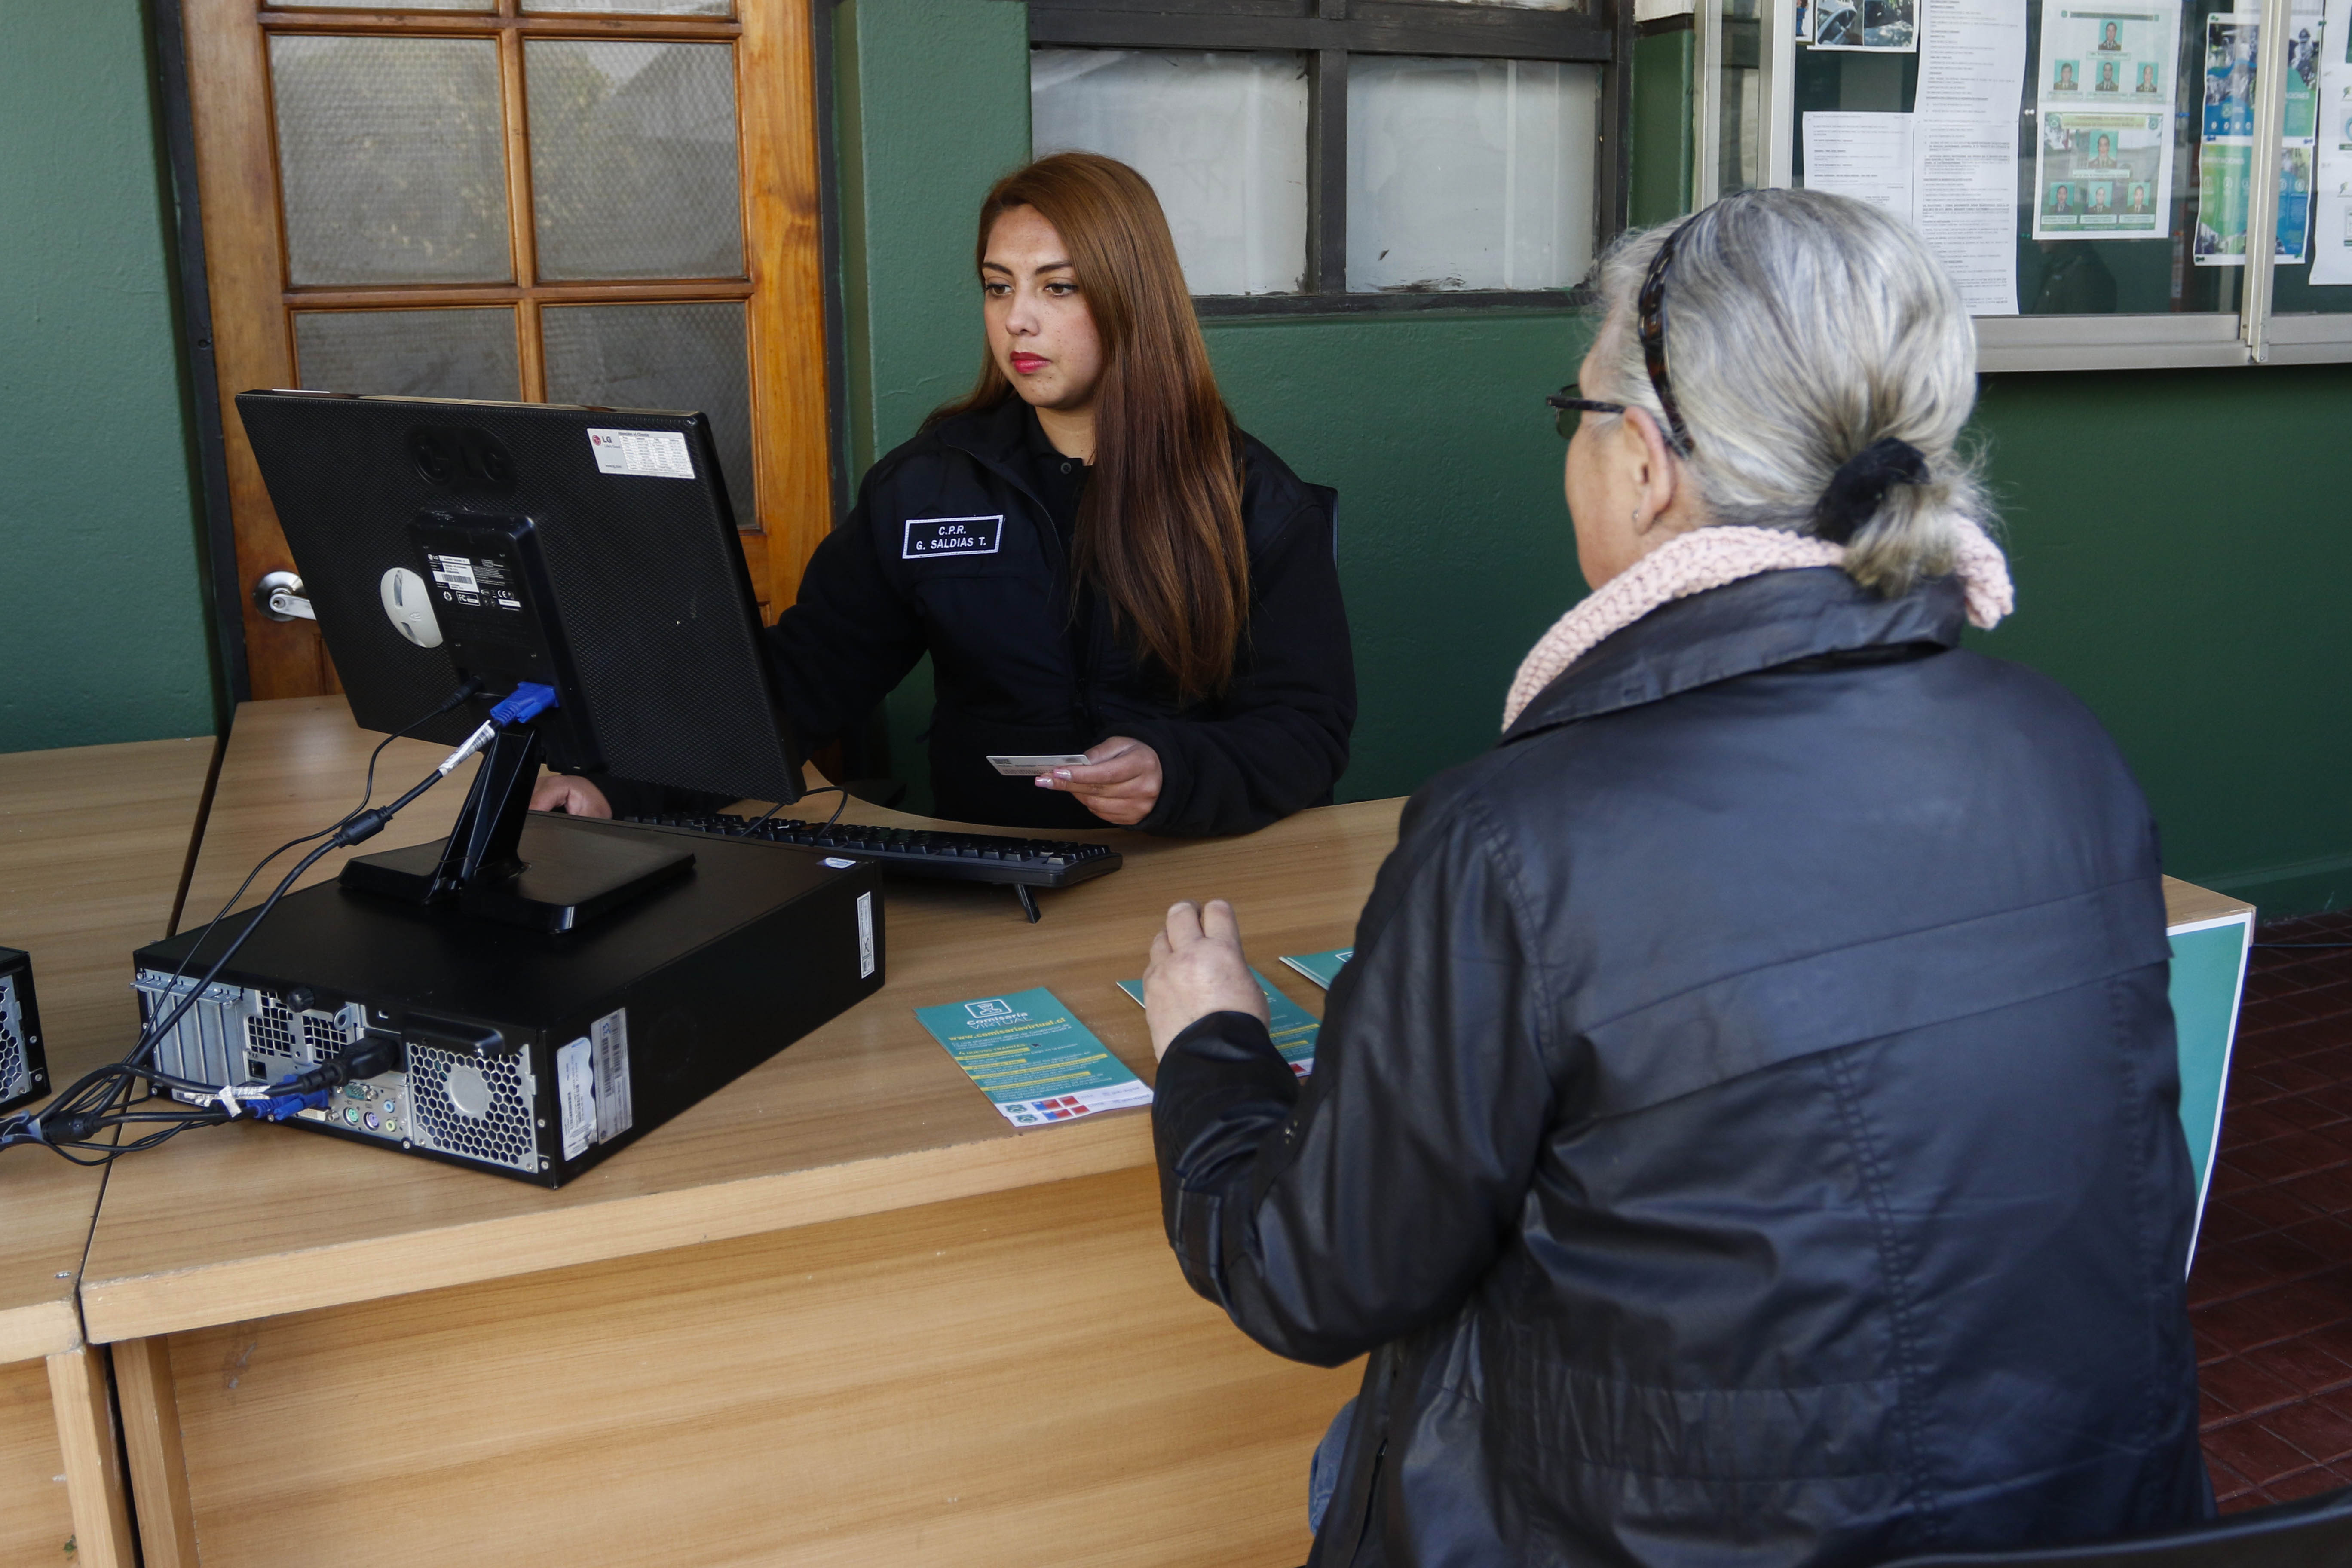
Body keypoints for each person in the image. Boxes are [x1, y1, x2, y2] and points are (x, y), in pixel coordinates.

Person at [1139, 188, 2210, 1566]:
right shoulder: (2067, 753)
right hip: (2082, 1525)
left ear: (1645, 465)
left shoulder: (1517, 840)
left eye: (1576, 414)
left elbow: (1308, 1274)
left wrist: (1212, 1048)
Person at [533, 152, 1355, 835]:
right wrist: (617, 787)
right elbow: (804, 680)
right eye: (999, 287)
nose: (1017, 321)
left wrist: (1174, 771)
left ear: (1133, 299)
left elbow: (1306, 731)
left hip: (1190, 874)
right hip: (997, 877)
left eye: (1057, 287)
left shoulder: (1251, 498)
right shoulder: (926, 486)